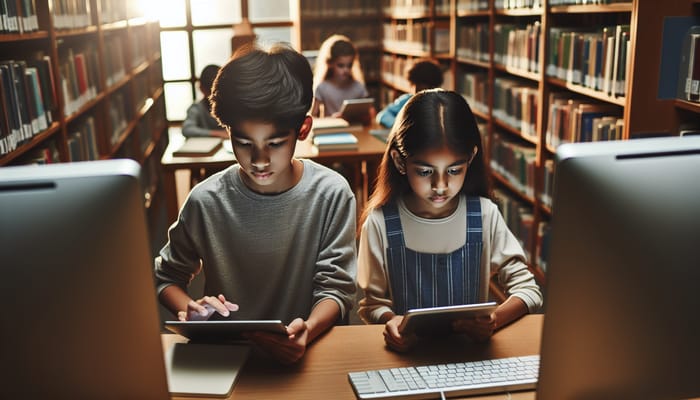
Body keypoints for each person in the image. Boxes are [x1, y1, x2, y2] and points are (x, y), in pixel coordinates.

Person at [154, 43, 357, 364]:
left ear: (303, 129)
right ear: (228, 131)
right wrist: (187, 307)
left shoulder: (332, 193)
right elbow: (167, 278)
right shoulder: (205, 201)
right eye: (244, 143)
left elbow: (337, 289)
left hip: (313, 353)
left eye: (275, 144)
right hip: (231, 357)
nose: (260, 160)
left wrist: (309, 330)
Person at [356, 89, 542, 352]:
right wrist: (391, 321)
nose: (440, 186)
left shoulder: (485, 215)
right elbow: (373, 305)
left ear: (471, 158)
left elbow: (528, 290)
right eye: (424, 171)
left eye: (454, 170)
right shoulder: (380, 224)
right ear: (399, 162)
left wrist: (493, 321)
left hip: (471, 359)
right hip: (405, 359)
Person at [310, 34, 369, 118]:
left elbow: (368, 114)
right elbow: (313, 117)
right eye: (341, 65)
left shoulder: (359, 87)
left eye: (349, 65)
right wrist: (332, 119)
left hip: (355, 128)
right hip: (330, 128)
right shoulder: (322, 88)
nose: (346, 70)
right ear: (330, 63)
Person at [375, 59, 443, 128]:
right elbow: (382, 114)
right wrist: (398, 126)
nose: (415, 89)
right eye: (414, 84)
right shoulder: (407, 99)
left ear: (432, 86)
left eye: (420, 84)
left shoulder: (441, 106)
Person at [182, 64, 228, 138]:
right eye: (211, 92)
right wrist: (216, 133)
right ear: (202, 89)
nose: (214, 96)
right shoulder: (196, 108)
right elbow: (187, 130)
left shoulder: (230, 106)